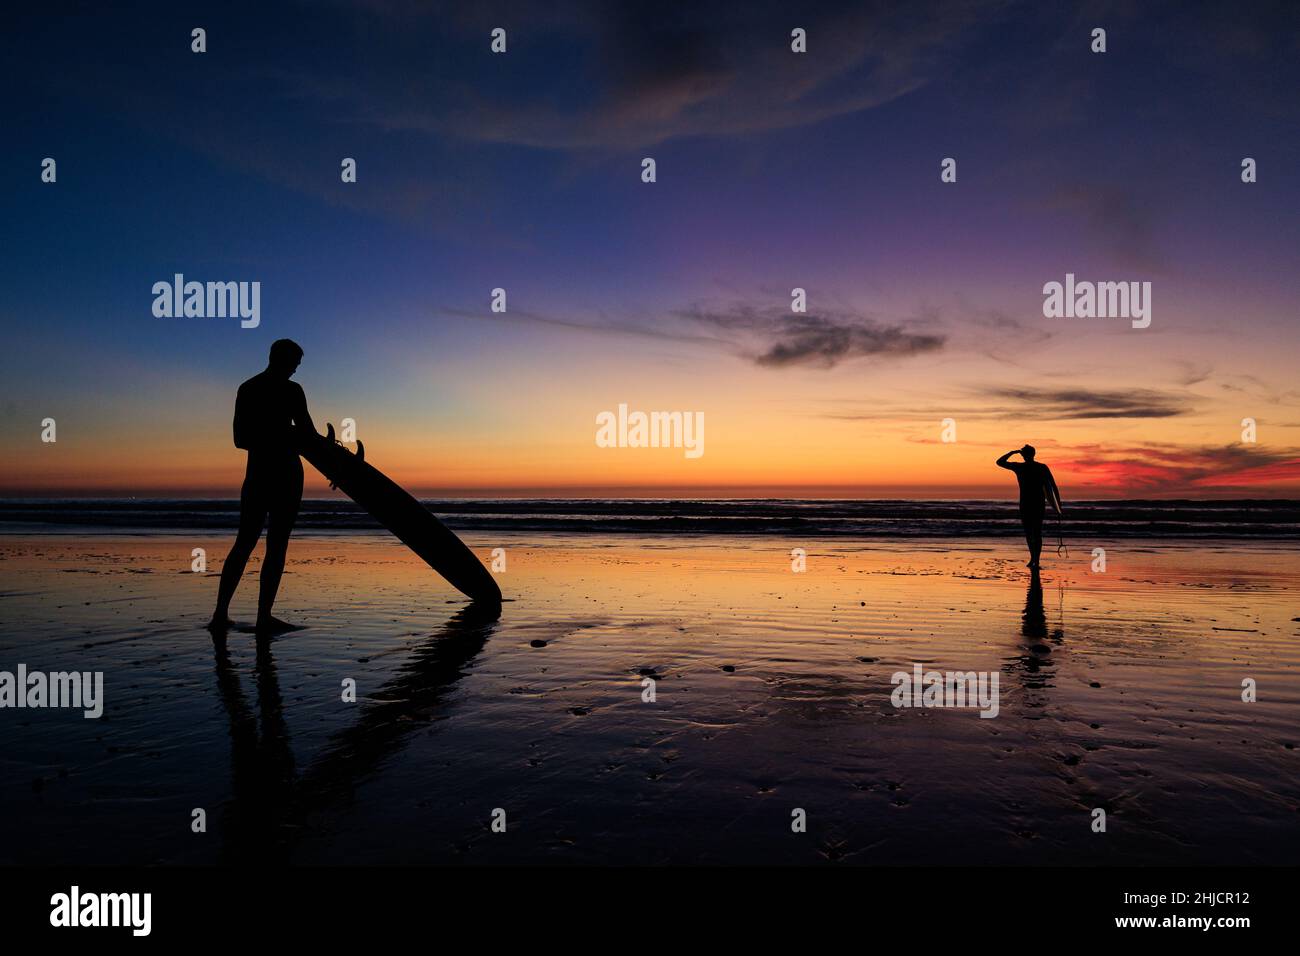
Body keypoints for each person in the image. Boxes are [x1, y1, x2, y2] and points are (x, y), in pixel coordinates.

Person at [209, 339, 315, 634]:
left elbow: (309, 437)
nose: (296, 369)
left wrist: (341, 468)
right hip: (268, 475)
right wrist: (283, 434)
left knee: (270, 544)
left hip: (276, 475)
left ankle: (259, 615)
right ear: (280, 358)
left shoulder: (273, 389)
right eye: (294, 362)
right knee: (249, 542)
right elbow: (240, 439)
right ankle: (223, 615)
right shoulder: (253, 389)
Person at [996, 444, 1061, 569]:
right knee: (1037, 532)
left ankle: (1033, 558)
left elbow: (999, 462)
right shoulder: (1042, 467)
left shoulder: (1019, 467)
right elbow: (1053, 486)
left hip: (1026, 503)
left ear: (1023, 455)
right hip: (1038, 503)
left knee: (1029, 532)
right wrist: (1058, 505)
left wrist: (1011, 452)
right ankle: (1036, 559)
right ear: (1033, 454)